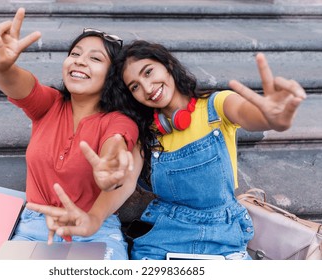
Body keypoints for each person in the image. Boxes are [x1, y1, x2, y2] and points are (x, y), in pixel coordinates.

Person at [107, 40, 306, 260]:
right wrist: (94, 216)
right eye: (134, 86)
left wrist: (272, 118)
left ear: (168, 65)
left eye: (148, 72)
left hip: (224, 234)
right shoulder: (148, 133)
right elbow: (124, 185)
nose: (147, 87)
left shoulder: (217, 105)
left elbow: (249, 115)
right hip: (164, 236)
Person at [0, 7, 141, 260]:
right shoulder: (49, 104)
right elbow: (17, 82)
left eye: (95, 58)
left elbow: (116, 145)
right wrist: (1, 67)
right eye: (75, 54)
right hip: (34, 228)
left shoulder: (118, 121)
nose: (79, 60)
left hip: (94, 229)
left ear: (112, 76)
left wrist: (111, 167)